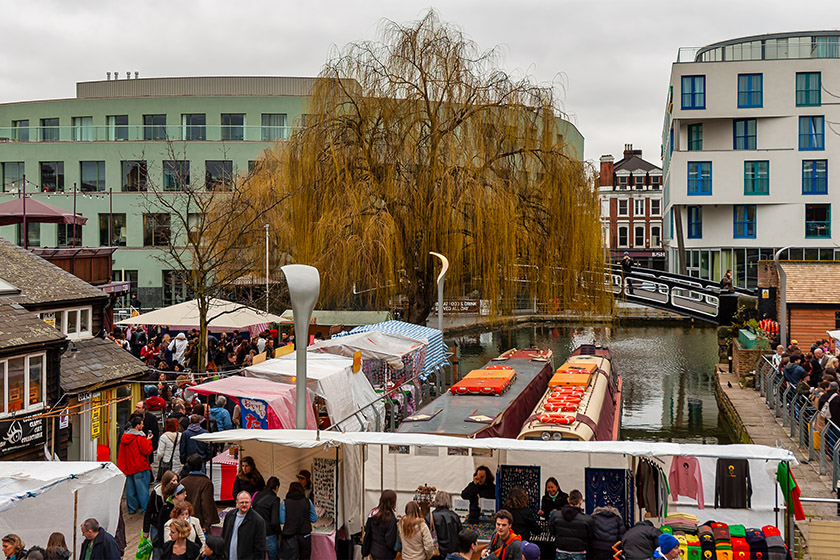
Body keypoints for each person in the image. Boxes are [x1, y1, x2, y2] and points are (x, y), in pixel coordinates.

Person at [119, 414, 155, 514]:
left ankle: (132, 508)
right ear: (138, 425)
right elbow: (146, 451)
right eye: (142, 424)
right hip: (140, 467)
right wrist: (148, 441)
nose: (143, 426)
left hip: (129, 467)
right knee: (143, 490)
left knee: (130, 490)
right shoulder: (140, 437)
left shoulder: (125, 437)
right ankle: (145, 510)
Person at [180, 454, 220, 534]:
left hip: (184, 521)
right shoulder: (206, 483)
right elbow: (206, 504)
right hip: (200, 522)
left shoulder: (183, 482)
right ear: (202, 465)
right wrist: (207, 524)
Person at [549, 489, 593, 560]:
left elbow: (552, 531)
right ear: (581, 501)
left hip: (561, 551)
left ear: (568, 500)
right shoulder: (587, 520)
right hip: (579, 552)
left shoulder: (556, 516)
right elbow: (590, 536)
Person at [144, 470, 179, 559]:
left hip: (172, 527)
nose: (176, 483)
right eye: (173, 480)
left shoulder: (177, 494)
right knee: (157, 552)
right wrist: (145, 530)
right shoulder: (156, 493)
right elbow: (148, 511)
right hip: (156, 526)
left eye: (176, 480)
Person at [222, 491, 266, 560]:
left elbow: (260, 547)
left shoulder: (258, 521)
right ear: (237, 502)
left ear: (250, 502)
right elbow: (224, 536)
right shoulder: (230, 515)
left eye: (247, 502)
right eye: (242, 502)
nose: (244, 505)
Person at [279, 481, 318, 560]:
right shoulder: (307, 502)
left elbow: (282, 520)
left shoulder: (284, 503)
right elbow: (314, 518)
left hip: (290, 535)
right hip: (305, 534)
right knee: (305, 557)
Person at [425, 490, 462, 559]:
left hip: (436, 553)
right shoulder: (454, 516)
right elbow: (460, 536)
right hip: (452, 554)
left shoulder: (430, 516)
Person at [362, 490, 398, 560]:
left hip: (373, 552)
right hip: (386, 554)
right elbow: (390, 542)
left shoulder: (373, 513)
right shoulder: (391, 519)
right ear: (393, 502)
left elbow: (367, 529)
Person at [252, 476, 282, 560]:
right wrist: (279, 532)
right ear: (276, 487)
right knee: (273, 557)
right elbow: (274, 521)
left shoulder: (257, 495)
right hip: (269, 534)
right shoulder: (275, 499)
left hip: (257, 533)